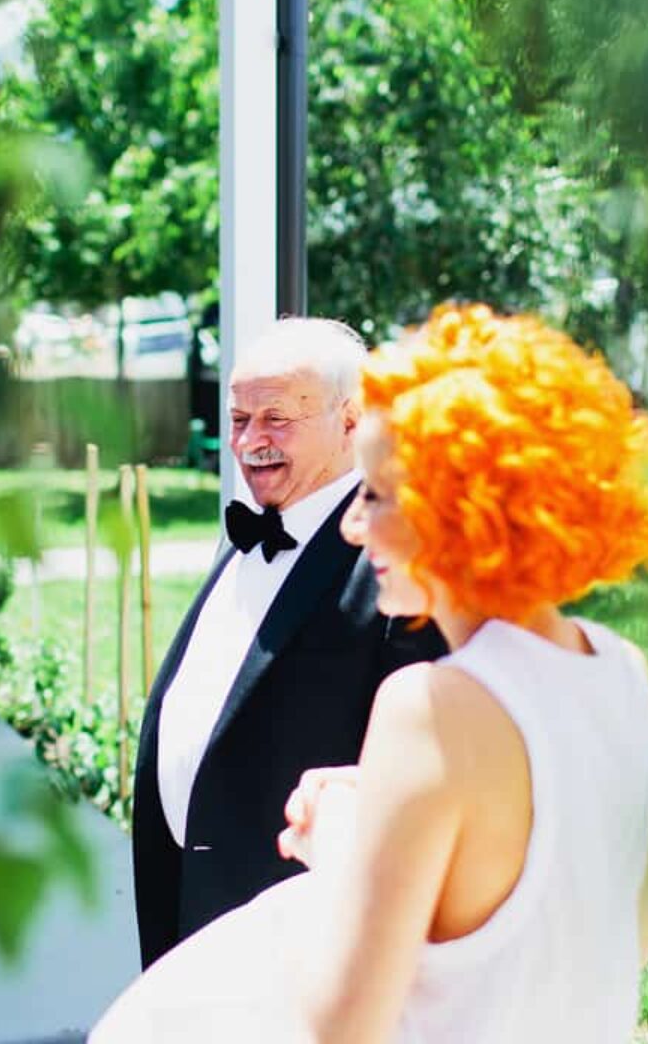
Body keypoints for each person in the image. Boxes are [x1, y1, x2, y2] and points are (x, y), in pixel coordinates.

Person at [96, 304, 648, 1042]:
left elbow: (345, 1030)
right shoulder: (624, 673)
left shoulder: (430, 706)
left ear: (452, 508)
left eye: (373, 495)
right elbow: (629, 939)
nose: (349, 524)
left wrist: (345, 843)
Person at [132, 317, 447, 968]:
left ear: (352, 419)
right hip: (191, 916)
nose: (250, 442)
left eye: (276, 418)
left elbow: (416, 780)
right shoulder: (252, 528)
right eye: (239, 418)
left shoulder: (394, 564)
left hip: (296, 941)